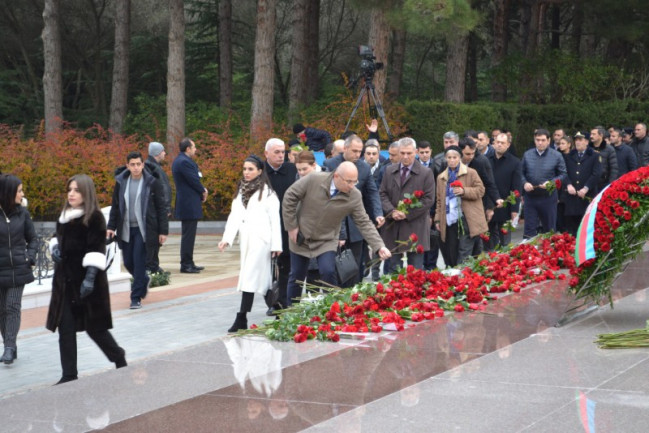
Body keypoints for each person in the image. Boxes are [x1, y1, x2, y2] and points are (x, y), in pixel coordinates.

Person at [47, 174, 126, 384]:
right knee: (65, 329)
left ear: (86, 193)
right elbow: (57, 238)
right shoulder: (65, 216)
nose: (71, 194)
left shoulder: (94, 217)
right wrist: (54, 248)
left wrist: (90, 278)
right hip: (65, 282)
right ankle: (69, 375)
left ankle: (118, 356)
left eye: (76, 190)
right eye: (69, 189)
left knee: (96, 329)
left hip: (88, 283)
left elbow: (97, 248)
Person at [283, 162, 391, 305]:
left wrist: (379, 246)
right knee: (297, 275)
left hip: (326, 239)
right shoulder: (314, 179)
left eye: (355, 181)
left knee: (328, 271)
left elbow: (363, 222)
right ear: (336, 176)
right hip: (301, 235)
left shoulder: (354, 196)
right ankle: (290, 312)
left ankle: (332, 308)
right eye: (349, 181)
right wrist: (291, 226)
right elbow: (290, 196)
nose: (352, 185)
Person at [219, 155, 282, 333]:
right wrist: (227, 238)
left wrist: (277, 245)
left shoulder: (268, 194)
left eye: (251, 169)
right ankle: (280, 310)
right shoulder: (241, 192)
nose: (246, 173)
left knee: (249, 279)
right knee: (261, 282)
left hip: (262, 242)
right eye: (245, 169)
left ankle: (241, 317)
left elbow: (275, 220)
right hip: (246, 242)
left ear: (260, 171)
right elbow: (234, 216)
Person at [107, 151, 168, 309]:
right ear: (127, 165)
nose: (135, 167)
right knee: (128, 261)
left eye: (138, 164)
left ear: (143, 165)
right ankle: (144, 281)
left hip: (145, 230)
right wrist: (111, 227)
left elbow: (161, 207)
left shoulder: (151, 182)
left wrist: (163, 231)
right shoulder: (121, 182)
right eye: (132, 164)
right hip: (126, 229)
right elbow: (115, 206)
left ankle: (135, 297)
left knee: (139, 261)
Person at [323, 134, 384, 286]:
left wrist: (378, 213)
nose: (358, 155)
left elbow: (372, 192)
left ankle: (352, 299)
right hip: (335, 223)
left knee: (355, 267)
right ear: (345, 148)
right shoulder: (330, 164)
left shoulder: (363, 167)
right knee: (334, 268)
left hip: (356, 225)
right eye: (354, 151)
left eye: (360, 151)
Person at [380, 138, 435, 273]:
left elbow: (428, 199)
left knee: (415, 269)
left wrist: (407, 213)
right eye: (402, 153)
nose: (405, 157)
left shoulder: (425, 173)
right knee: (393, 269)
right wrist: (392, 211)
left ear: (415, 152)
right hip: (393, 226)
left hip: (415, 226)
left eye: (409, 153)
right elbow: (382, 194)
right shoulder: (389, 170)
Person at [0, 174, 36, 365]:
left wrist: (30, 256)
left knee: (12, 307)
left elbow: (33, 239)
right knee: (1, 310)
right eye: (19, 191)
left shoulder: (23, 213)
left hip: (19, 270)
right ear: (8, 192)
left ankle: (9, 347)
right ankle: (9, 345)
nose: (22, 194)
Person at [435, 146, 488, 267]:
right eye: (449, 157)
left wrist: (464, 191)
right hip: (450, 218)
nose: (452, 160)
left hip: (467, 217)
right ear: (445, 159)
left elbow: (481, 190)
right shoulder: (441, 177)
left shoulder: (470, 172)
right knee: (452, 250)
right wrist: (437, 219)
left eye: (455, 157)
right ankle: (459, 273)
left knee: (464, 250)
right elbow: (439, 200)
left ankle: (462, 275)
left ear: (460, 158)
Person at [264, 138, 297, 313]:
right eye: (276, 152)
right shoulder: (259, 171)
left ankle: (282, 302)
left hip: (286, 225)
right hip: (265, 227)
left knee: (286, 265)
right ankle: (270, 299)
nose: (280, 155)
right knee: (266, 268)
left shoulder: (291, 170)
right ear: (266, 153)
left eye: (283, 152)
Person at [520, 129, 567, 239]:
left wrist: (551, 183)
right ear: (534, 140)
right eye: (537, 140)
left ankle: (550, 253)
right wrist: (524, 183)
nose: (540, 143)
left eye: (543, 140)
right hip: (531, 197)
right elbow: (520, 173)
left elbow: (563, 174)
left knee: (549, 229)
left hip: (548, 198)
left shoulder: (556, 155)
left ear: (548, 140)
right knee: (529, 229)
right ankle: (528, 253)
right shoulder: (527, 155)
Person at [172, 138, 208, 273]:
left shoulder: (184, 161)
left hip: (189, 202)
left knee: (190, 235)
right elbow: (193, 180)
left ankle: (189, 262)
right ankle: (186, 264)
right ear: (187, 149)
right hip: (188, 203)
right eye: (194, 147)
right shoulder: (183, 162)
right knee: (188, 235)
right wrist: (203, 190)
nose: (195, 149)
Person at [486, 133, 522, 250]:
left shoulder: (515, 162)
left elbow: (516, 188)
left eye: (503, 143)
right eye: (498, 142)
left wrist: (514, 210)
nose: (500, 145)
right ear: (494, 143)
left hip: (506, 205)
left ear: (508, 145)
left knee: (505, 242)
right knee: (488, 241)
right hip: (489, 205)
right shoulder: (486, 160)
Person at [563, 132, 602, 235]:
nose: (578, 142)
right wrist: (568, 184)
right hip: (572, 195)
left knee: (587, 225)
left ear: (586, 142)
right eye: (576, 140)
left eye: (580, 140)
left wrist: (586, 187)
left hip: (587, 195)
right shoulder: (569, 156)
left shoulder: (594, 155)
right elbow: (563, 172)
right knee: (573, 227)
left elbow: (596, 174)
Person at [144, 142, 172, 274]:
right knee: (154, 239)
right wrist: (165, 208)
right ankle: (151, 265)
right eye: (163, 151)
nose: (165, 153)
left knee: (156, 239)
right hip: (156, 211)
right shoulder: (153, 168)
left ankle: (153, 264)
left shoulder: (154, 167)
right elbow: (161, 191)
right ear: (157, 153)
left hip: (157, 210)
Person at [556, 135, 574, 233]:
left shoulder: (573, 156)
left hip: (570, 186)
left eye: (563, 144)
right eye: (559, 144)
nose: (560, 146)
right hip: (560, 186)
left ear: (569, 145)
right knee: (560, 211)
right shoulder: (558, 156)